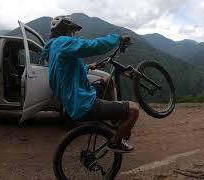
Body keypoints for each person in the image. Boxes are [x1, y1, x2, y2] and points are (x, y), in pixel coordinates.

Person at [41, 15, 139, 153]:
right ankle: (115, 143)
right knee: (134, 110)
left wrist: (88, 67)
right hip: (82, 102)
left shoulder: (53, 47)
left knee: (107, 81)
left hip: (72, 99)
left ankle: (115, 120)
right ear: (65, 29)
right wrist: (117, 39)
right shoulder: (63, 42)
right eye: (71, 30)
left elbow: (66, 69)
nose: (73, 34)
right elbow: (93, 46)